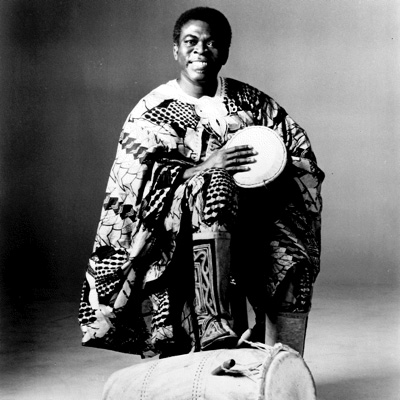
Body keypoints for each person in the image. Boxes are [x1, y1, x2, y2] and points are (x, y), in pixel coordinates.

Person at [78, 6, 324, 358]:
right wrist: (209, 167)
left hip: (253, 223)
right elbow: (135, 188)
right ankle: (214, 326)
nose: (200, 51)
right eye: (191, 41)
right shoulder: (150, 112)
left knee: (292, 260)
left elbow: (298, 154)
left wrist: (266, 178)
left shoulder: (252, 102)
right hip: (178, 229)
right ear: (175, 49)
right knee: (214, 185)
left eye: (212, 43)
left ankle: (281, 372)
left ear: (225, 51)